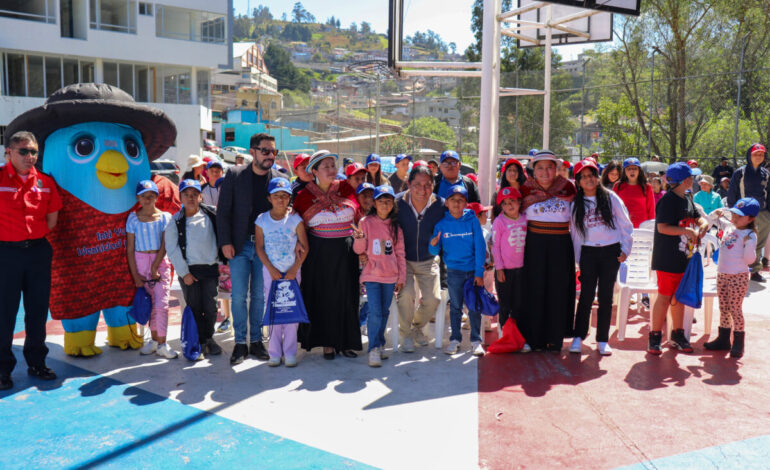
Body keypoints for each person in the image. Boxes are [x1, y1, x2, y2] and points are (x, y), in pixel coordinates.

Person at [0, 131, 62, 390]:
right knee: (5, 312)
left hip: (37, 251)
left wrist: (35, 239)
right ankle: (3, 369)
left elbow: (52, 218)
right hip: (6, 253)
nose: (30, 157)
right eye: (23, 151)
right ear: (9, 153)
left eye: (34, 151)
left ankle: (37, 362)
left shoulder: (46, 182)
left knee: (37, 311)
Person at [217, 133, 283, 364]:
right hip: (239, 244)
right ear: (252, 151)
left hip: (266, 248)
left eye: (273, 151)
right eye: (265, 151)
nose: (270, 156)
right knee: (237, 296)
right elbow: (223, 211)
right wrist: (225, 242)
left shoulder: (277, 178)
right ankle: (239, 344)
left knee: (258, 296)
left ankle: (256, 342)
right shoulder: (234, 175)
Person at [293, 150, 362, 359]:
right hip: (319, 253)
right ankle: (328, 344)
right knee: (324, 297)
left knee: (347, 295)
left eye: (333, 165)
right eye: (326, 167)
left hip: (346, 250)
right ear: (314, 171)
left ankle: (347, 342)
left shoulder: (346, 188)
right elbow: (298, 227)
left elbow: (358, 216)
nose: (332, 170)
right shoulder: (303, 196)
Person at [569, 160, 633, 356]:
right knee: (586, 296)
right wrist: (578, 259)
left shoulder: (610, 197)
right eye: (584, 177)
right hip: (588, 253)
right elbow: (575, 233)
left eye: (591, 175)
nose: (588, 179)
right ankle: (578, 336)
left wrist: (625, 249)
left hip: (610, 252)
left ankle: (602, 339)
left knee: (606, 296)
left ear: (597, 178)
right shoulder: (576, 203)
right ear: (578, 181)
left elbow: (625, 224)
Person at [649, 162, 709, 354]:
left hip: (685, 257)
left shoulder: (687, 198)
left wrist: (703, 223)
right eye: (690, 177)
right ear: (684, 180)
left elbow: (697, 215)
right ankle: (655, 336)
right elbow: (662, 227)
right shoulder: (667, 201)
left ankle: (677, 334)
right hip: (667, 258)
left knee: (679, 297)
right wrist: (686, 230)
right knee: (665, 297)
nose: (693, 180)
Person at [520, 150, 577, 353]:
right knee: (534, 289)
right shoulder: (525, 190)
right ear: (533, 170)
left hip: (560, 245)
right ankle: (533, 338)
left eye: (550, 167)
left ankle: (555, 338)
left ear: (556, 169)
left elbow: (577, 220)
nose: (545, 172)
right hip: (533, 245)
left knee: (558, 290)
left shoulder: (568, 187)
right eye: (540, 167)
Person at [165, 179, 224, 358]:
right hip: (190, 271)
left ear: (200, 196)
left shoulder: (211, 214)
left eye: (194, 194)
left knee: (211, 306)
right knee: (195, 307)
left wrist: (222, 262)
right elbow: (172, 248)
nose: (190, 198)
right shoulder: (176, 221)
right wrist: (185, 273)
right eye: (186, 195)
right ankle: (197, 341)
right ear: (180, 197)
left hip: (210, 269)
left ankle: (208, 338)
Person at [255, 177, 308, 367]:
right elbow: (259, 248)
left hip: (292, 274)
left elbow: (305, 247)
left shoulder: (295, 219)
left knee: (291, 312)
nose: (281, 200)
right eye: (276, 196)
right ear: (269, 198)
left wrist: (294, 268)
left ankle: (291, 351)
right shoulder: (262, 220)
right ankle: (274, 352)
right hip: (272, 274)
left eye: (285, 196)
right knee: (275, 311)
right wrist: (270, 268)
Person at [429, 185, 486, 356]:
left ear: (466, 204)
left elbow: (480, 247)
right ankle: (455, 339)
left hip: (472, 272)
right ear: (446, 203)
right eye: (453, 200)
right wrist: (433, 244)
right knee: (455, 307)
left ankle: (476, 340)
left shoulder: (473, 220)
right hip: (453, 272)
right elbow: (433, 251)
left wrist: (479, 272)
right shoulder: (441, 225)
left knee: (474, 307)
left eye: (460, 200)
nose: (456, 203)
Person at [353, 185, 406, 366]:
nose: (384, 204)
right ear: (374, 203)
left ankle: (380, 343)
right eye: (381, 201)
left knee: (384, 312)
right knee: (375, 311)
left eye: (388, 201)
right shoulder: (365, 222)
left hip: (390, 276)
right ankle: (374, 348)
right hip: (372, 275)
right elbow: (358, 250)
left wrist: (402, 277)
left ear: (393, 203)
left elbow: (400, 253)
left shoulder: (396, 227)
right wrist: (359, 239)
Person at [395, 166, 445, 352]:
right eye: (417, 184)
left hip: (428, 259)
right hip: (403, 260)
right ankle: (406, 334)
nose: (422, 190)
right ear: (409, 184)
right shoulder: (396, 203)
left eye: (427, 185)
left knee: (434, 298)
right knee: (406, 295)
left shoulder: (441, 204)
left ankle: (415, 328)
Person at [126, 180, 176, 359]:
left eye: (151, 196)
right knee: (150, 304)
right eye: (143, 196)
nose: (147, 200)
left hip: (160, 262)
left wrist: (155, 265)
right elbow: (130, 249)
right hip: (140, 263)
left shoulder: (164, 218)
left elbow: (165, 244)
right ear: (138, 198)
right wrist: (135, 275)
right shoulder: (133, 218)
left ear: (156, 197)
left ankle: (163, 342)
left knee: (162, 304)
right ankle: (154, 341)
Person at [704, 198, 758, 358]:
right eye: (734, 214)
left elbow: (750, 260)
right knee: (724, 307)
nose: (734, 218)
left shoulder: (750, 234)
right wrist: (715, 214)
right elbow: (708, 222)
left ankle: (739, 341)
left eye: (740, 216)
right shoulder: (729, 227)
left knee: (735, 309)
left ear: (750, 218)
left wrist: (748, 245)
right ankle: (723, 339)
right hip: (722, 274)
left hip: (738, 277)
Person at [727, 143, 770, 282]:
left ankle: (754, 271)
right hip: (744, 213)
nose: (759, 156)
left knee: (758, 242)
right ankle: (739, 269)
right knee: (743, 241)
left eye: (761, 154)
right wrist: (734, 214)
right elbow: (732, 192)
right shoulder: (741, 172)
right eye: (756, 153)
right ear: (749, 155)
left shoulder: (766, 173)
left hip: (763, 213)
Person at [491, 187, 527, 335]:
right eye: (504, 203)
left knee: (519, 304)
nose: (509, 206)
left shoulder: (526, 219)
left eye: (512, 201)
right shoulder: (499, 222)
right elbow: (495, 246)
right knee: (505, 304)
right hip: (504, 270)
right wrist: (499, 268)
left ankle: (517, 335)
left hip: (522, 269)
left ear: (519, 202)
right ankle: (503, 334)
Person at [614, 158, 655, 228]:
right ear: (624, 171)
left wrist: (651, 226)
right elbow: (613, 207)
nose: (632, 171)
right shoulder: (618, 186)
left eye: (635, 168)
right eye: (629, 169)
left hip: (642, 227)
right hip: (622, 226)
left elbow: (651, 209)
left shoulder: (647, 187)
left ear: (639, 171)